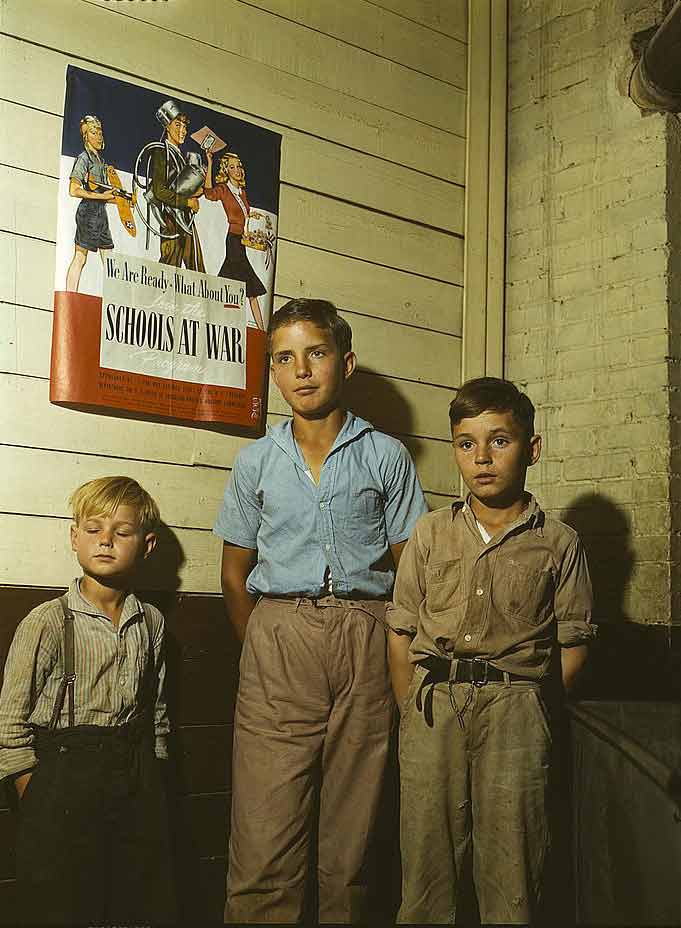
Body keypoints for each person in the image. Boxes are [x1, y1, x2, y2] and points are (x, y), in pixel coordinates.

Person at [214, 298, 428, 923]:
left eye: (317, 353)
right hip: (278, 634)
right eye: (285, 358)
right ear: (272, 373)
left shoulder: (386, 455)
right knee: (264, 820)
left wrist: (396, 641)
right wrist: (260, 640)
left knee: (354, 823)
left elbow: (411, 566)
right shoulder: (256, 460)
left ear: (347, 362)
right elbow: (233, 572)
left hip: (367, 634)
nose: (302, 369)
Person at [387, 377, 596, 925]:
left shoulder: (559, 542)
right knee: (427, 867)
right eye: (465, 443)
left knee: (513, 869)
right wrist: (410, 708)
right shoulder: (430, 533)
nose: (481, 457)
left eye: (499, 441)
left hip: (517, 710)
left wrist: (535, 710)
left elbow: (572, 643)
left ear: (532, 449)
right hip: (435, 705)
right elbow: (401, 630)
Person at [0, 476, 176, 926]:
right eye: (94, 528)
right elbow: (9, 722)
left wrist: (152, 772)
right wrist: (33, 791)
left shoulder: (150, 622)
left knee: (128, 898)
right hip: (61, 780)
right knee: (63, 903)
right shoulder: (46, 621)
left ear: (147, 544)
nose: (106, 541)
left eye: (122, 531)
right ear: (73, 537)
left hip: (133, 779)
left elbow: (154, 709)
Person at [204, 149, 266, 330]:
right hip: (233, 242)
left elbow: (244, 218)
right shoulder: (224, 189)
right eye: (232, 167)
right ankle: (261, 329)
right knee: (250, 290)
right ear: (226, 170)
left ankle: (210, 320)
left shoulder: (241, 192)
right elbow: (208, 193)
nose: (237, 170)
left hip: (241, 241)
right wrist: (209, 162)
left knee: (224, 284)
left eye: (239, 166)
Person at [150, 99, 205, 271]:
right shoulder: (160, 152)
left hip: (186, 217)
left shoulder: (183, 156)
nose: (183, 131)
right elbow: (159, 191)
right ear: (167, 126)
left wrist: (196, 192)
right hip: (171, 218)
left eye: (185, 127)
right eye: (178, 126)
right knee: (169, 266)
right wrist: (187, 202)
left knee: (196, 267)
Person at [65, 115, 115, 292]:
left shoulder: (101, 161)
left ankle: (113, 299)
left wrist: (123, 201)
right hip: (88, 213)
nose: (100, 136)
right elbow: (74, 190)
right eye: (94, 132)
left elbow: (105, 193)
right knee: (80, 257)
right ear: (86, 136)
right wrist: (102, 197)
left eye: (100, 132)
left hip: (101, 214)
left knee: (109, 260)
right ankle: (70, 297)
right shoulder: (83, 158)